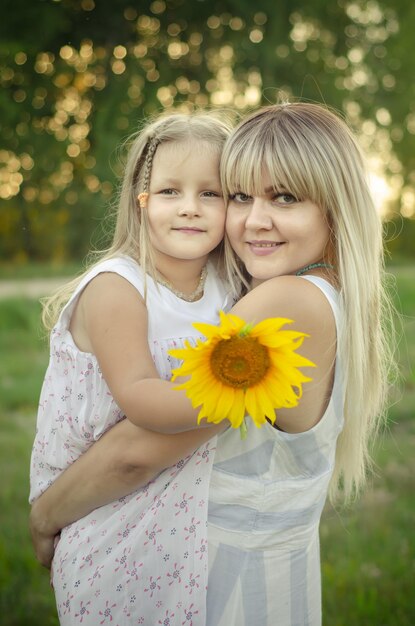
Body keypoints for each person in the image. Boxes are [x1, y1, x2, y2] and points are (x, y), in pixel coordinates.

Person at [30, 102, 396, 625]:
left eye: (285, 197)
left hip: (222, 587)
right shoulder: (321, 293)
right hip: (263, 575)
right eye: (242, 196)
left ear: (333, 208)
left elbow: (135, 452)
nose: (254, 220)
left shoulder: (284, 303)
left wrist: (45, 517)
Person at [29, 109, 237, 625]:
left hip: (180, 517)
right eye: (170, 191)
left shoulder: (226, 287)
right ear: (141, 200)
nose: (190, 208)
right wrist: (244, 392)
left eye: (210, 193)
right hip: (104, 515)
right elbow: (142, 399)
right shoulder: (118, 287)